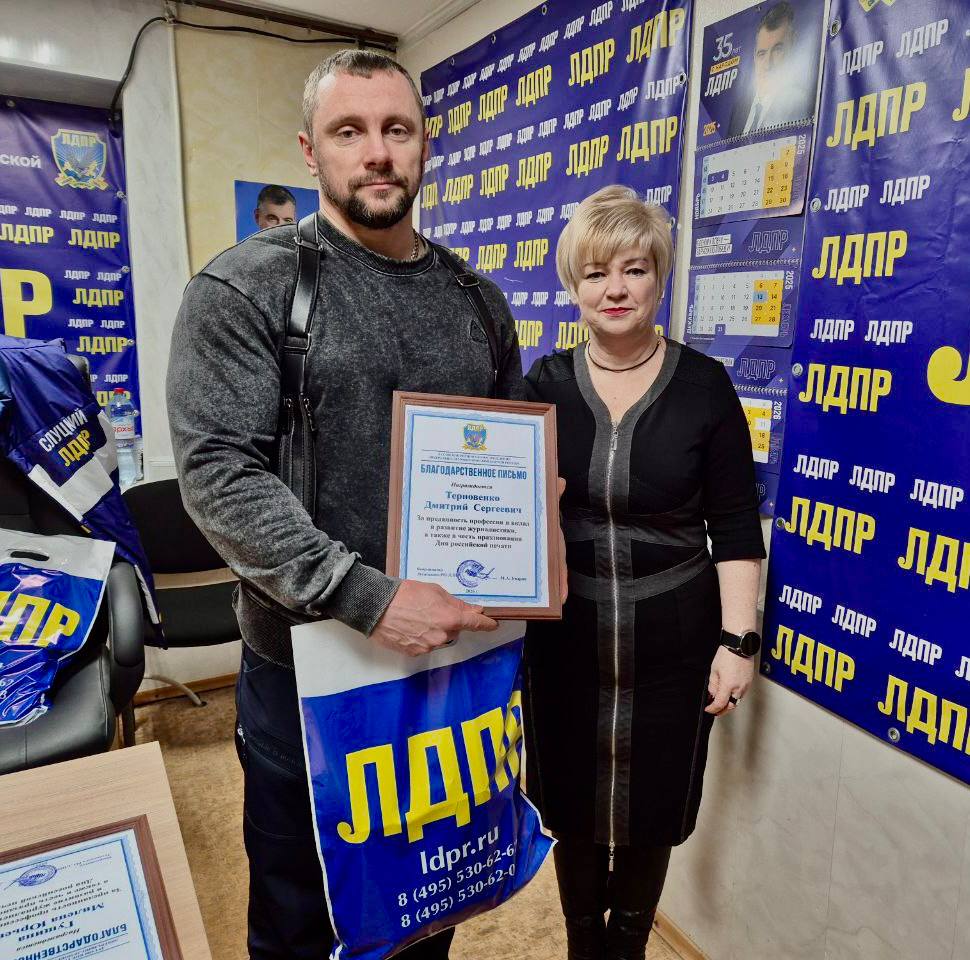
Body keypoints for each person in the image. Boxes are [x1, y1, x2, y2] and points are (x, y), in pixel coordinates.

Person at [167, 50, 527, 960]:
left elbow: (507, 458)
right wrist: (366, 595)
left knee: (427, 906)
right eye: (348, 131)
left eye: (396, 129)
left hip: (448, 669)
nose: (376, 152)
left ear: (425, 144)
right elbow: (219, 474)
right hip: (306, 673)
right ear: (309, 150)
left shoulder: (479, 302)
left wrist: (534, 506)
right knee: (303, 918)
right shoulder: (243, 288)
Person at [523, 185, 766, 960]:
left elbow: (736, 527)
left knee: (653, 805)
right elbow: (506, 512)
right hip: (564, 638)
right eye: (596, 273)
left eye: (634, 269)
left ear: (660, 277)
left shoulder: (704, 386)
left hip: (676, 640)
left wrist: (738, 642)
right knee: (571, 802)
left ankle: (628, 945)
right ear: (573, 286)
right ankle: (582, 944)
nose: (616, 289)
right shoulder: (541, 386)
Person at [726, 1, 814, 137]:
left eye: (777, 50)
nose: (767, 64)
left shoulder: (802, 104)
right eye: (761, 54)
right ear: (754, 57)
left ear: (793, 45)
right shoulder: (739, 110)